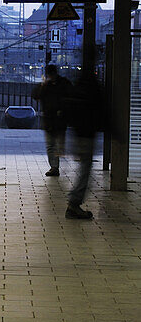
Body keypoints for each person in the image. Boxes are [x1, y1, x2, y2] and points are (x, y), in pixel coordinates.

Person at [63, 72, 106, 220]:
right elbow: (101, 111)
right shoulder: (93, 87)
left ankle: (74, 203)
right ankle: (74, 203)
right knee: (85, 170)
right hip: (87, 134)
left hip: (78, 133)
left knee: (84, 169)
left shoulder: (78, 86)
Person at [31, 65, 70, 176]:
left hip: (59, 119)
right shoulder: (46, 86)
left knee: (54, 145)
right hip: (50, 120)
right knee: (52, 145)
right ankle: (54, 167)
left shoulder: (63, 84)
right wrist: (42, 86)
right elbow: (35, 95)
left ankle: (55, 165)